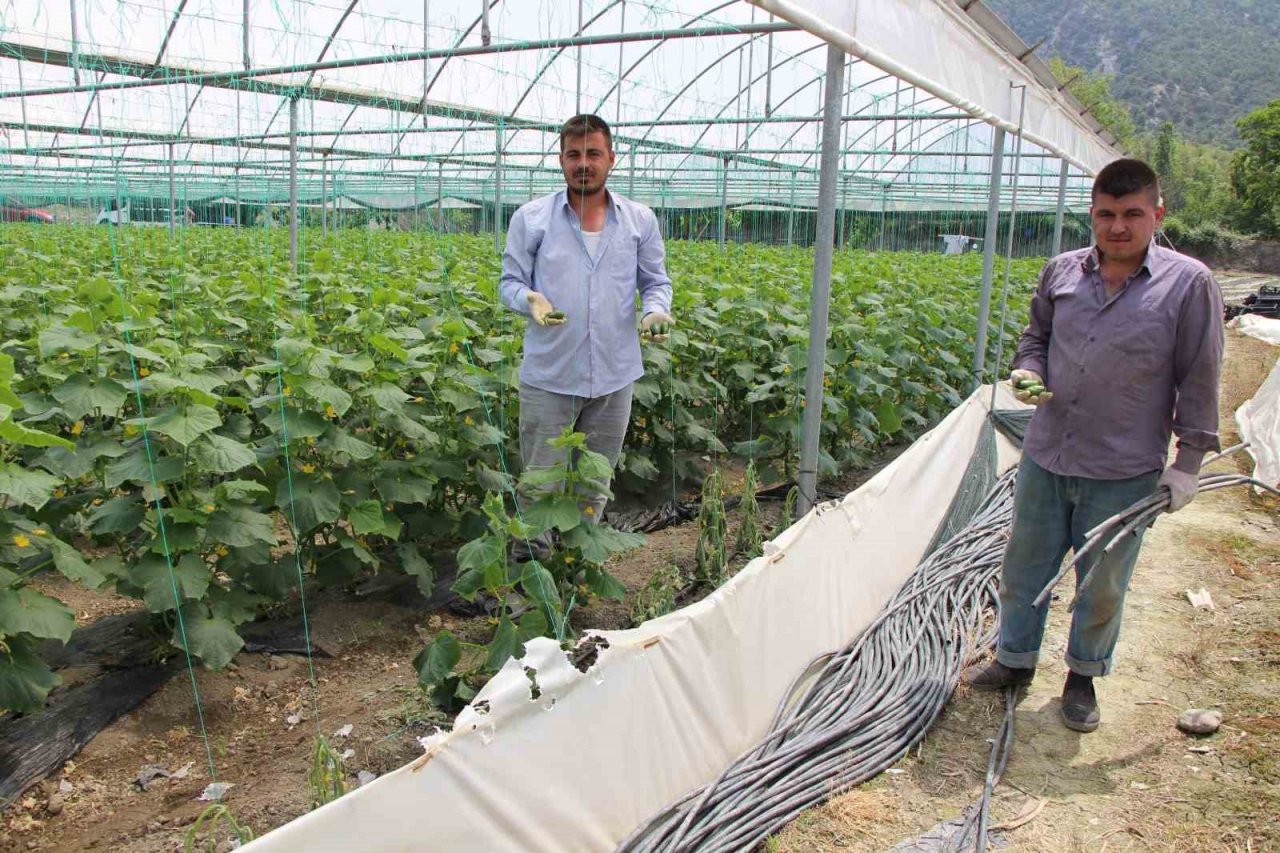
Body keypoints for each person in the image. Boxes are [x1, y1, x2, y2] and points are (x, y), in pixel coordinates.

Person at [963, 158, 1224, 733]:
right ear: (1092, 214)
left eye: (1133, 214)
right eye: (1106, 214)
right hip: (1048, 451)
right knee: (1024, 563)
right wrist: (1026, 372)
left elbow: (1199, 377)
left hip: (1123, 465)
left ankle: (1081, 678)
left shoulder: (1188, 284)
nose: (1119, 227)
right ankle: (1014, 660)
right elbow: (1036, 337)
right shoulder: (1061, 272)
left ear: (1157, 214)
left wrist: (1188, 465)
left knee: (1102, 582)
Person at [499, 114, 674, 541]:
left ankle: (577, 563)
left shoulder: (639, 221)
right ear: (560, 160)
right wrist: (530, 300)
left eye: (593, 153)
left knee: (595, 481)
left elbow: (655, 282)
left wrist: (654, 310)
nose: (583, 163)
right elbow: (510, 283)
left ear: (611, 158)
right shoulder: (532, 219)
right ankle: (535, 571)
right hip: (550, 374)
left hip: (615, 375)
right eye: (574, 154)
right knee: (542, 480)